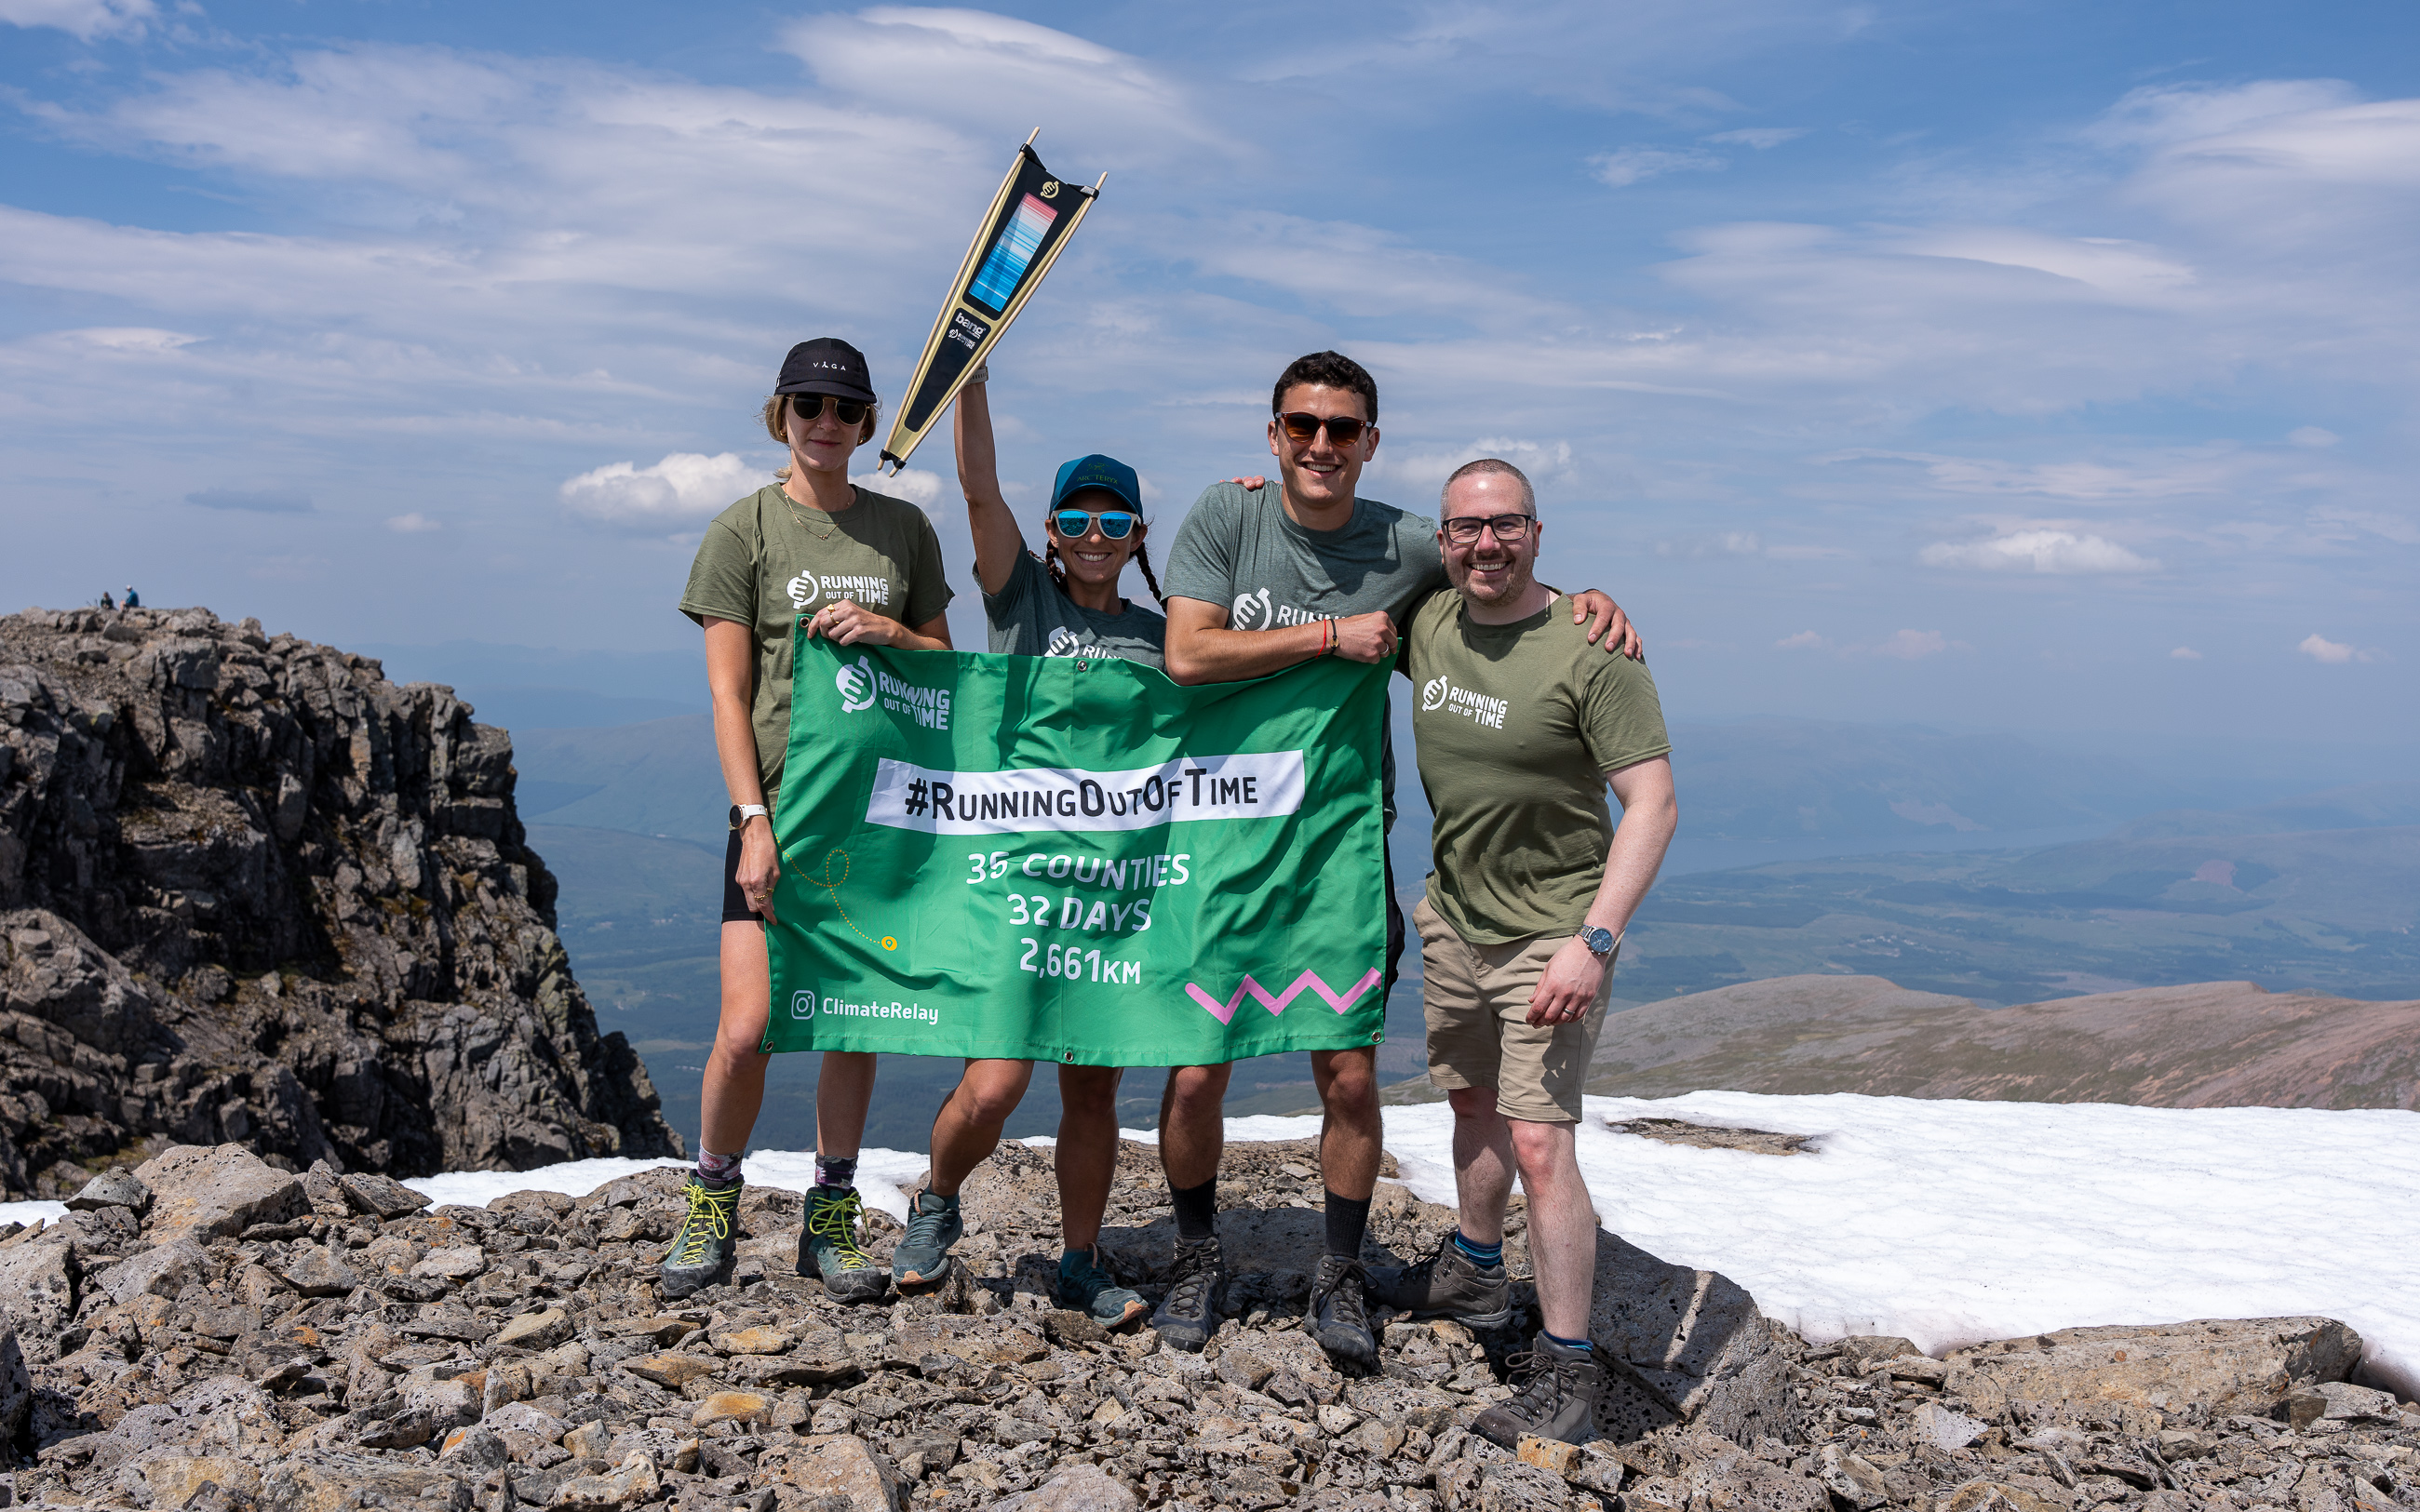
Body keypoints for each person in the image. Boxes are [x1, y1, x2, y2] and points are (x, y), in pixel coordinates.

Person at [1151, 350, 1644, 1369]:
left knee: (1345, 1071)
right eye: (1301, 425)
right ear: (1272, 433)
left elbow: (1496, 564)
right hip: (1215, 836)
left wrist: (1586, 598)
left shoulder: (1410, 542)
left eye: (1341, 428)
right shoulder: (1225, 517)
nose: (1320, 444)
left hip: (1335, 841)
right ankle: (1196, 1250)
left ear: (1370, 440)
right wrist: (1330, 634)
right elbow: (1187, 655)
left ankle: (1338, 1270)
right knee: (1195, 1072)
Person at [1368, 457, 1677, 1447]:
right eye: (1464, 528)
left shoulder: (1592, 649)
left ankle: (1568, 1369)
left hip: (1552, 931)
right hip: (1453, 916)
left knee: (1542, 1142)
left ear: (1537, 533)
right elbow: (1320, 551)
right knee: (1468, 1100)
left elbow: (1653, 802)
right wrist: (1260, 487)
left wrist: (1593, 941)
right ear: (1443, 537)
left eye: (1504, 526)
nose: (1483, 544)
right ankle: (1468, 1266)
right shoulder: (1429, 622)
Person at [877, 366, 1179, 1326]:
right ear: (1052, 530)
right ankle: (934, 1203)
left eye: (1114, 522)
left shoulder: (1163, 637)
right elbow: (976, 491)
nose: (1095, 537)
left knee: (1092, 1085)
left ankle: (1081, 1260)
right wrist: (970, 377)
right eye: (1077, 520)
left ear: (1136, 537)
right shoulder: (1021, 607)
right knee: (1000, 1077)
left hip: (1115, 889)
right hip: (1016, 877)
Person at [666, 337, 955, 1302]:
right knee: (746, 1027)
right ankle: (710, 1199)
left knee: (851, 1019)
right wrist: (752, 819)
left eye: (842, 410)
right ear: (778, 414)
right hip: (781, 808)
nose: (823, 424)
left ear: (867, 423)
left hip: (878, 811)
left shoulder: (901, 532)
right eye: (806, 406)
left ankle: (828, 1215)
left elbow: (944, 665)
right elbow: (725, 692)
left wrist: (890, 630)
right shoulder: (741, 529)